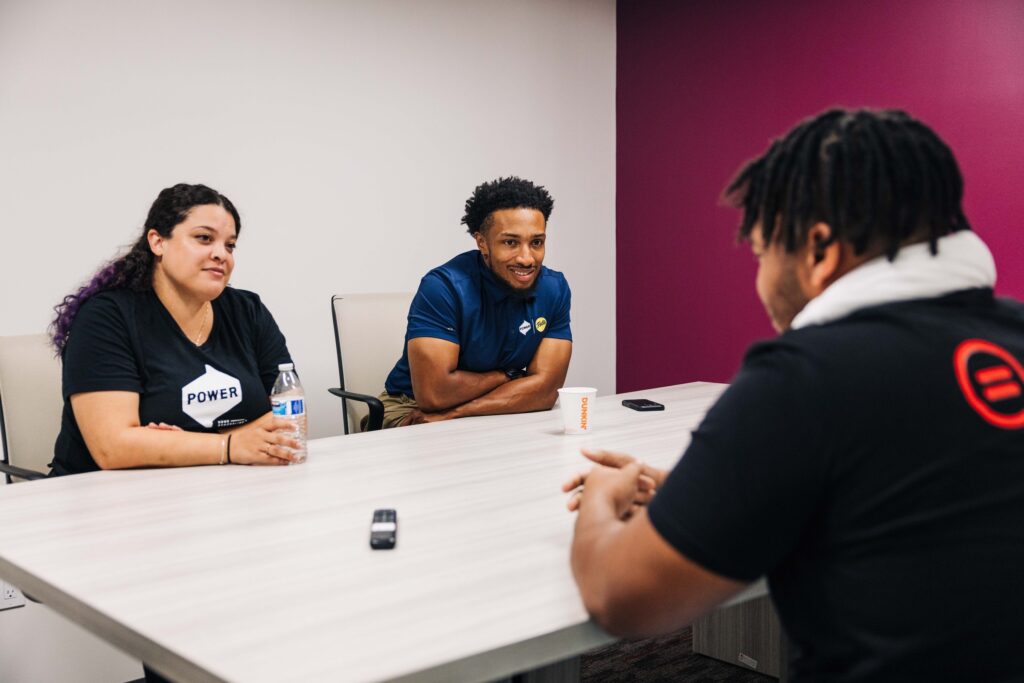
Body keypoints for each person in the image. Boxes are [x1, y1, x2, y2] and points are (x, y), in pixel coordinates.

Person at [563, 109, 1024, 681]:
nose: (760, 278)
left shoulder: (806, 377)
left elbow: (620, 596)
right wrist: (704, 497)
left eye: (761, 253)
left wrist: (604, 498)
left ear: (819, 250)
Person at [49, 183, 301, 477]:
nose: (221, 254)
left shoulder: (247, 310)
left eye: (230, 245)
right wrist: (229, 446)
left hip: (219, 489)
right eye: (204, 238)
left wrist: (176, 444)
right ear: (158, 242)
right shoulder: (106, 318)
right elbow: (113, 447)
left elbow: (291, 417)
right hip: (101, 500)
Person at [379, 176, 572, 428]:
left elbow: (546, 391)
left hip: (488, 407)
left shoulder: (554, 288)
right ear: (482, 242)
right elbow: (434, 395)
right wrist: (509, 376)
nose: (527, 258)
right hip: (411, 408)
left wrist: (460, 412)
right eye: (510, 242)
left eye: (536, 242)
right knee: (454, 457)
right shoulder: (443, 287)